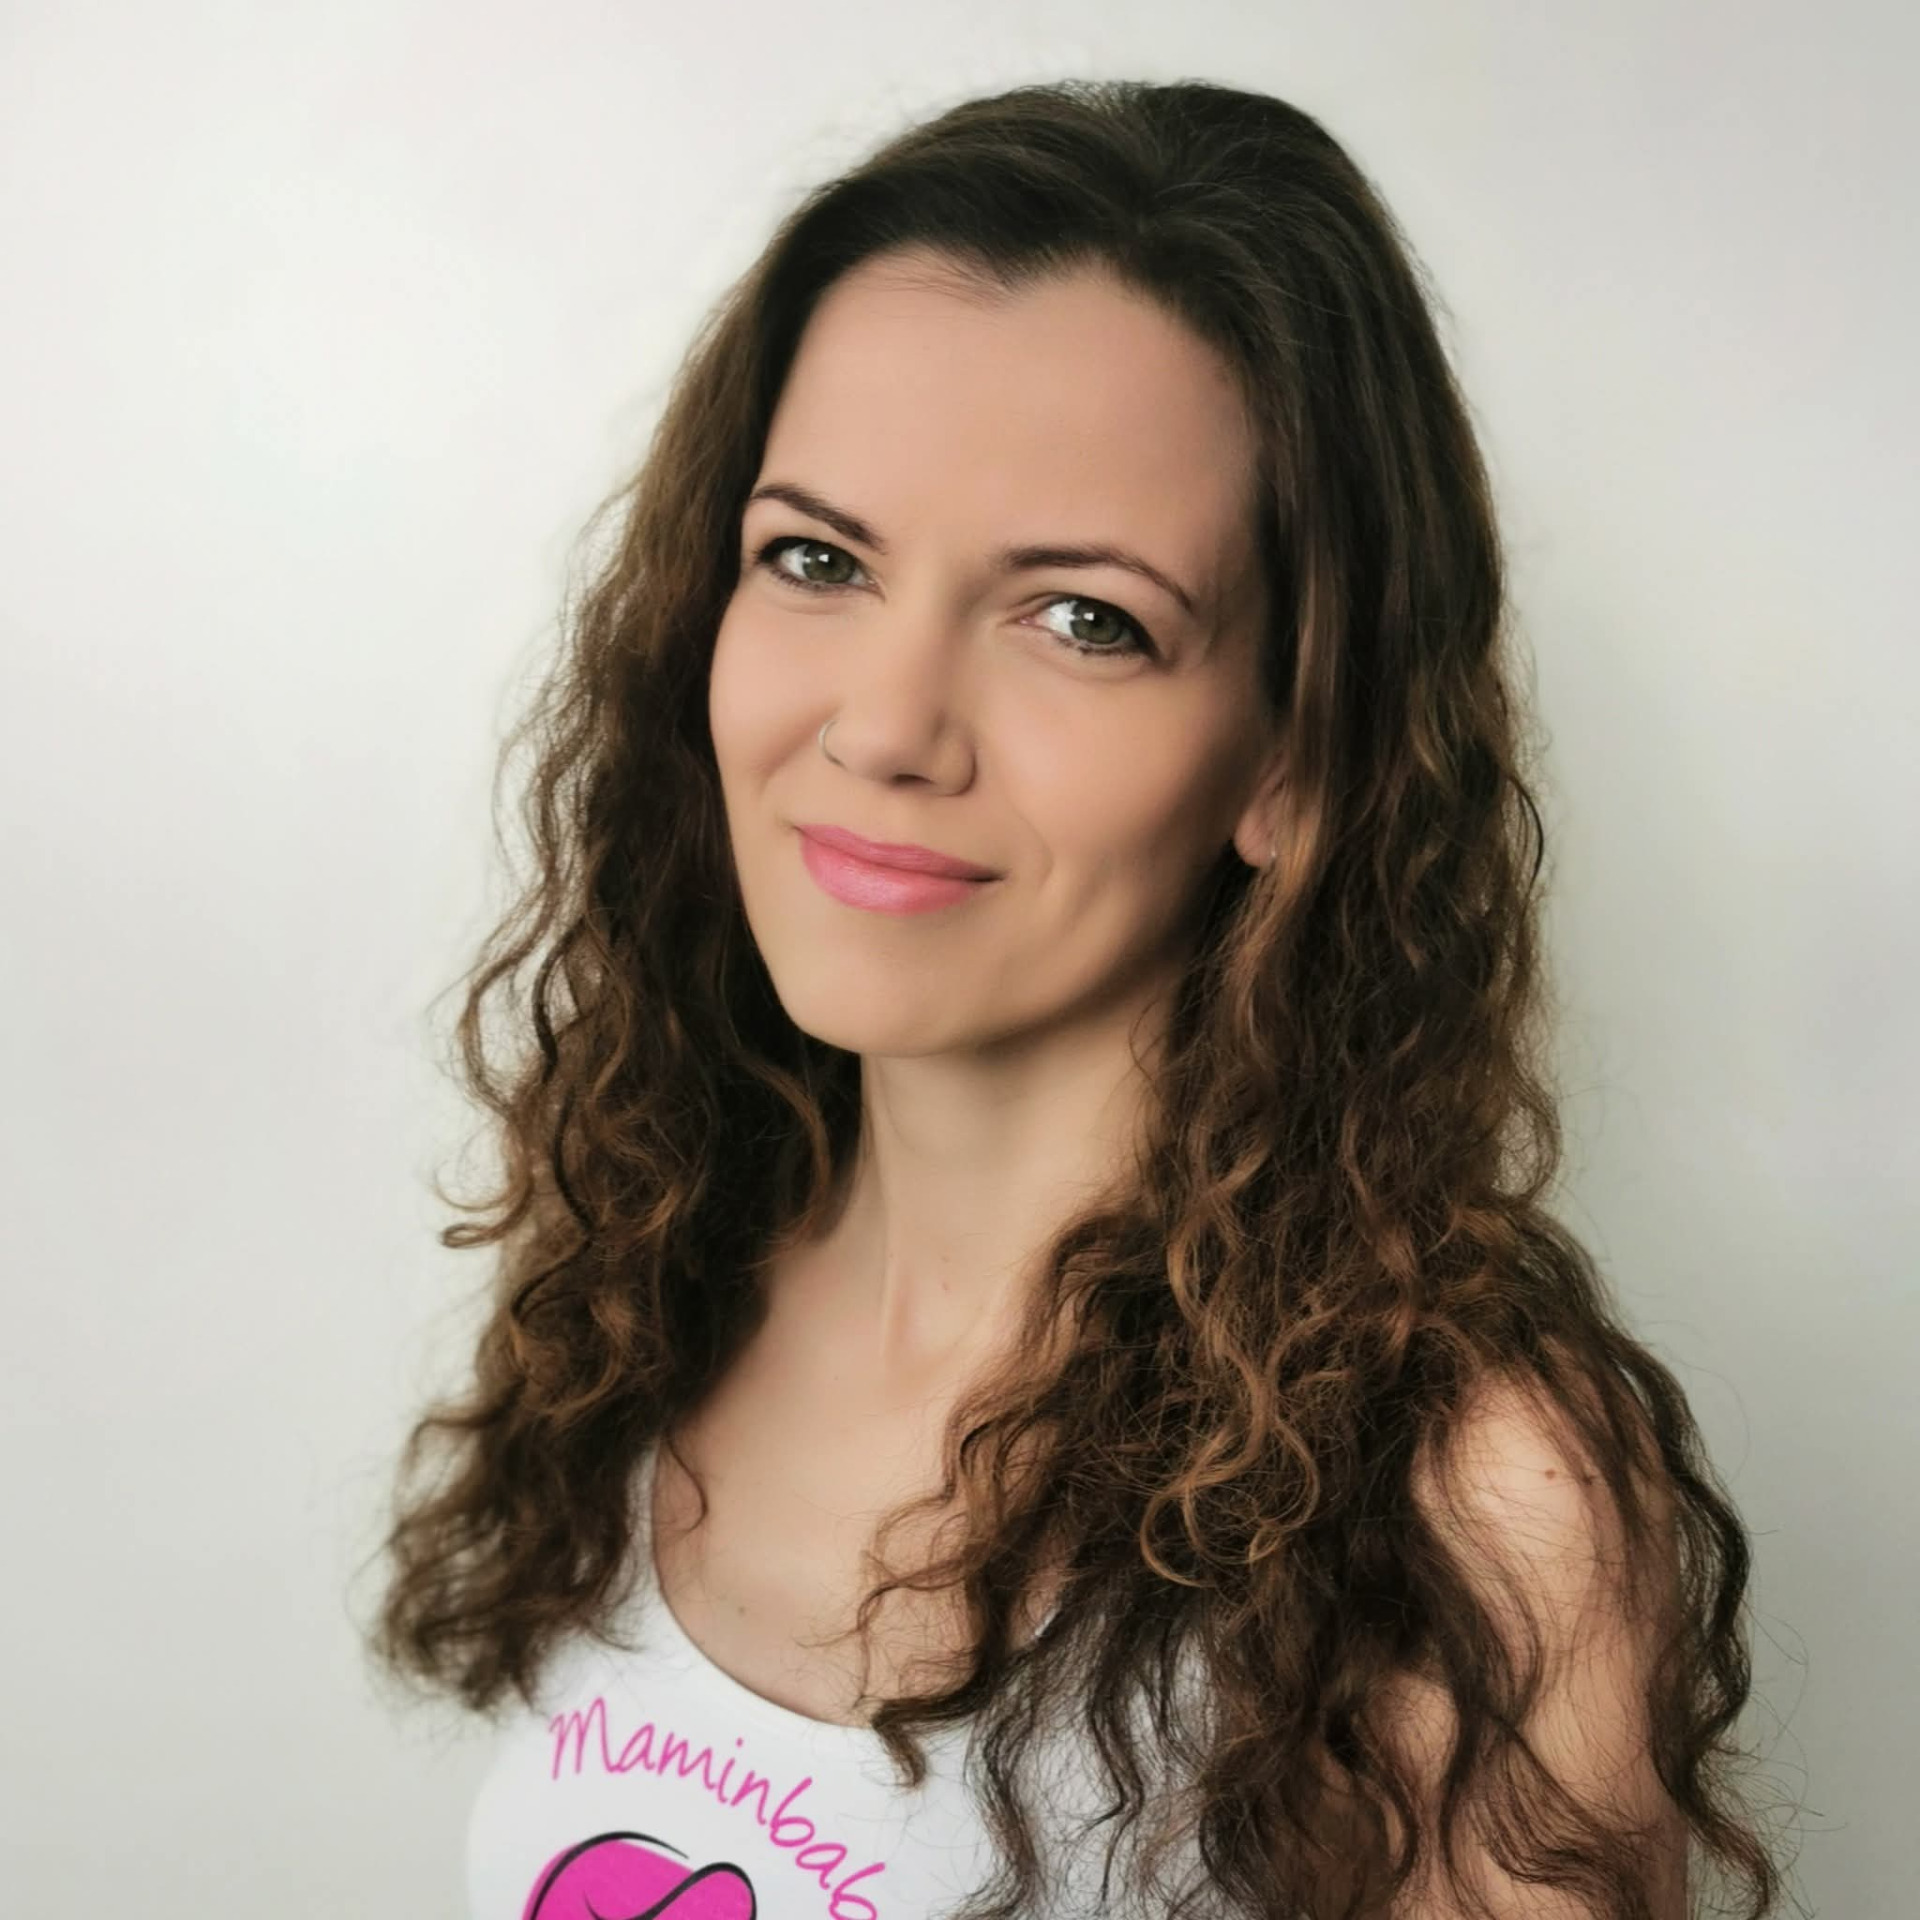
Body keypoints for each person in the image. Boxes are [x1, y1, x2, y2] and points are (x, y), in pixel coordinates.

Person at [371, 78, 1785, 1920]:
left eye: (1085, 618)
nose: (884, 727)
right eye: (815, 560)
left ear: (1296, 753)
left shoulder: (1468, 1496)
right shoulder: (660, 1262)